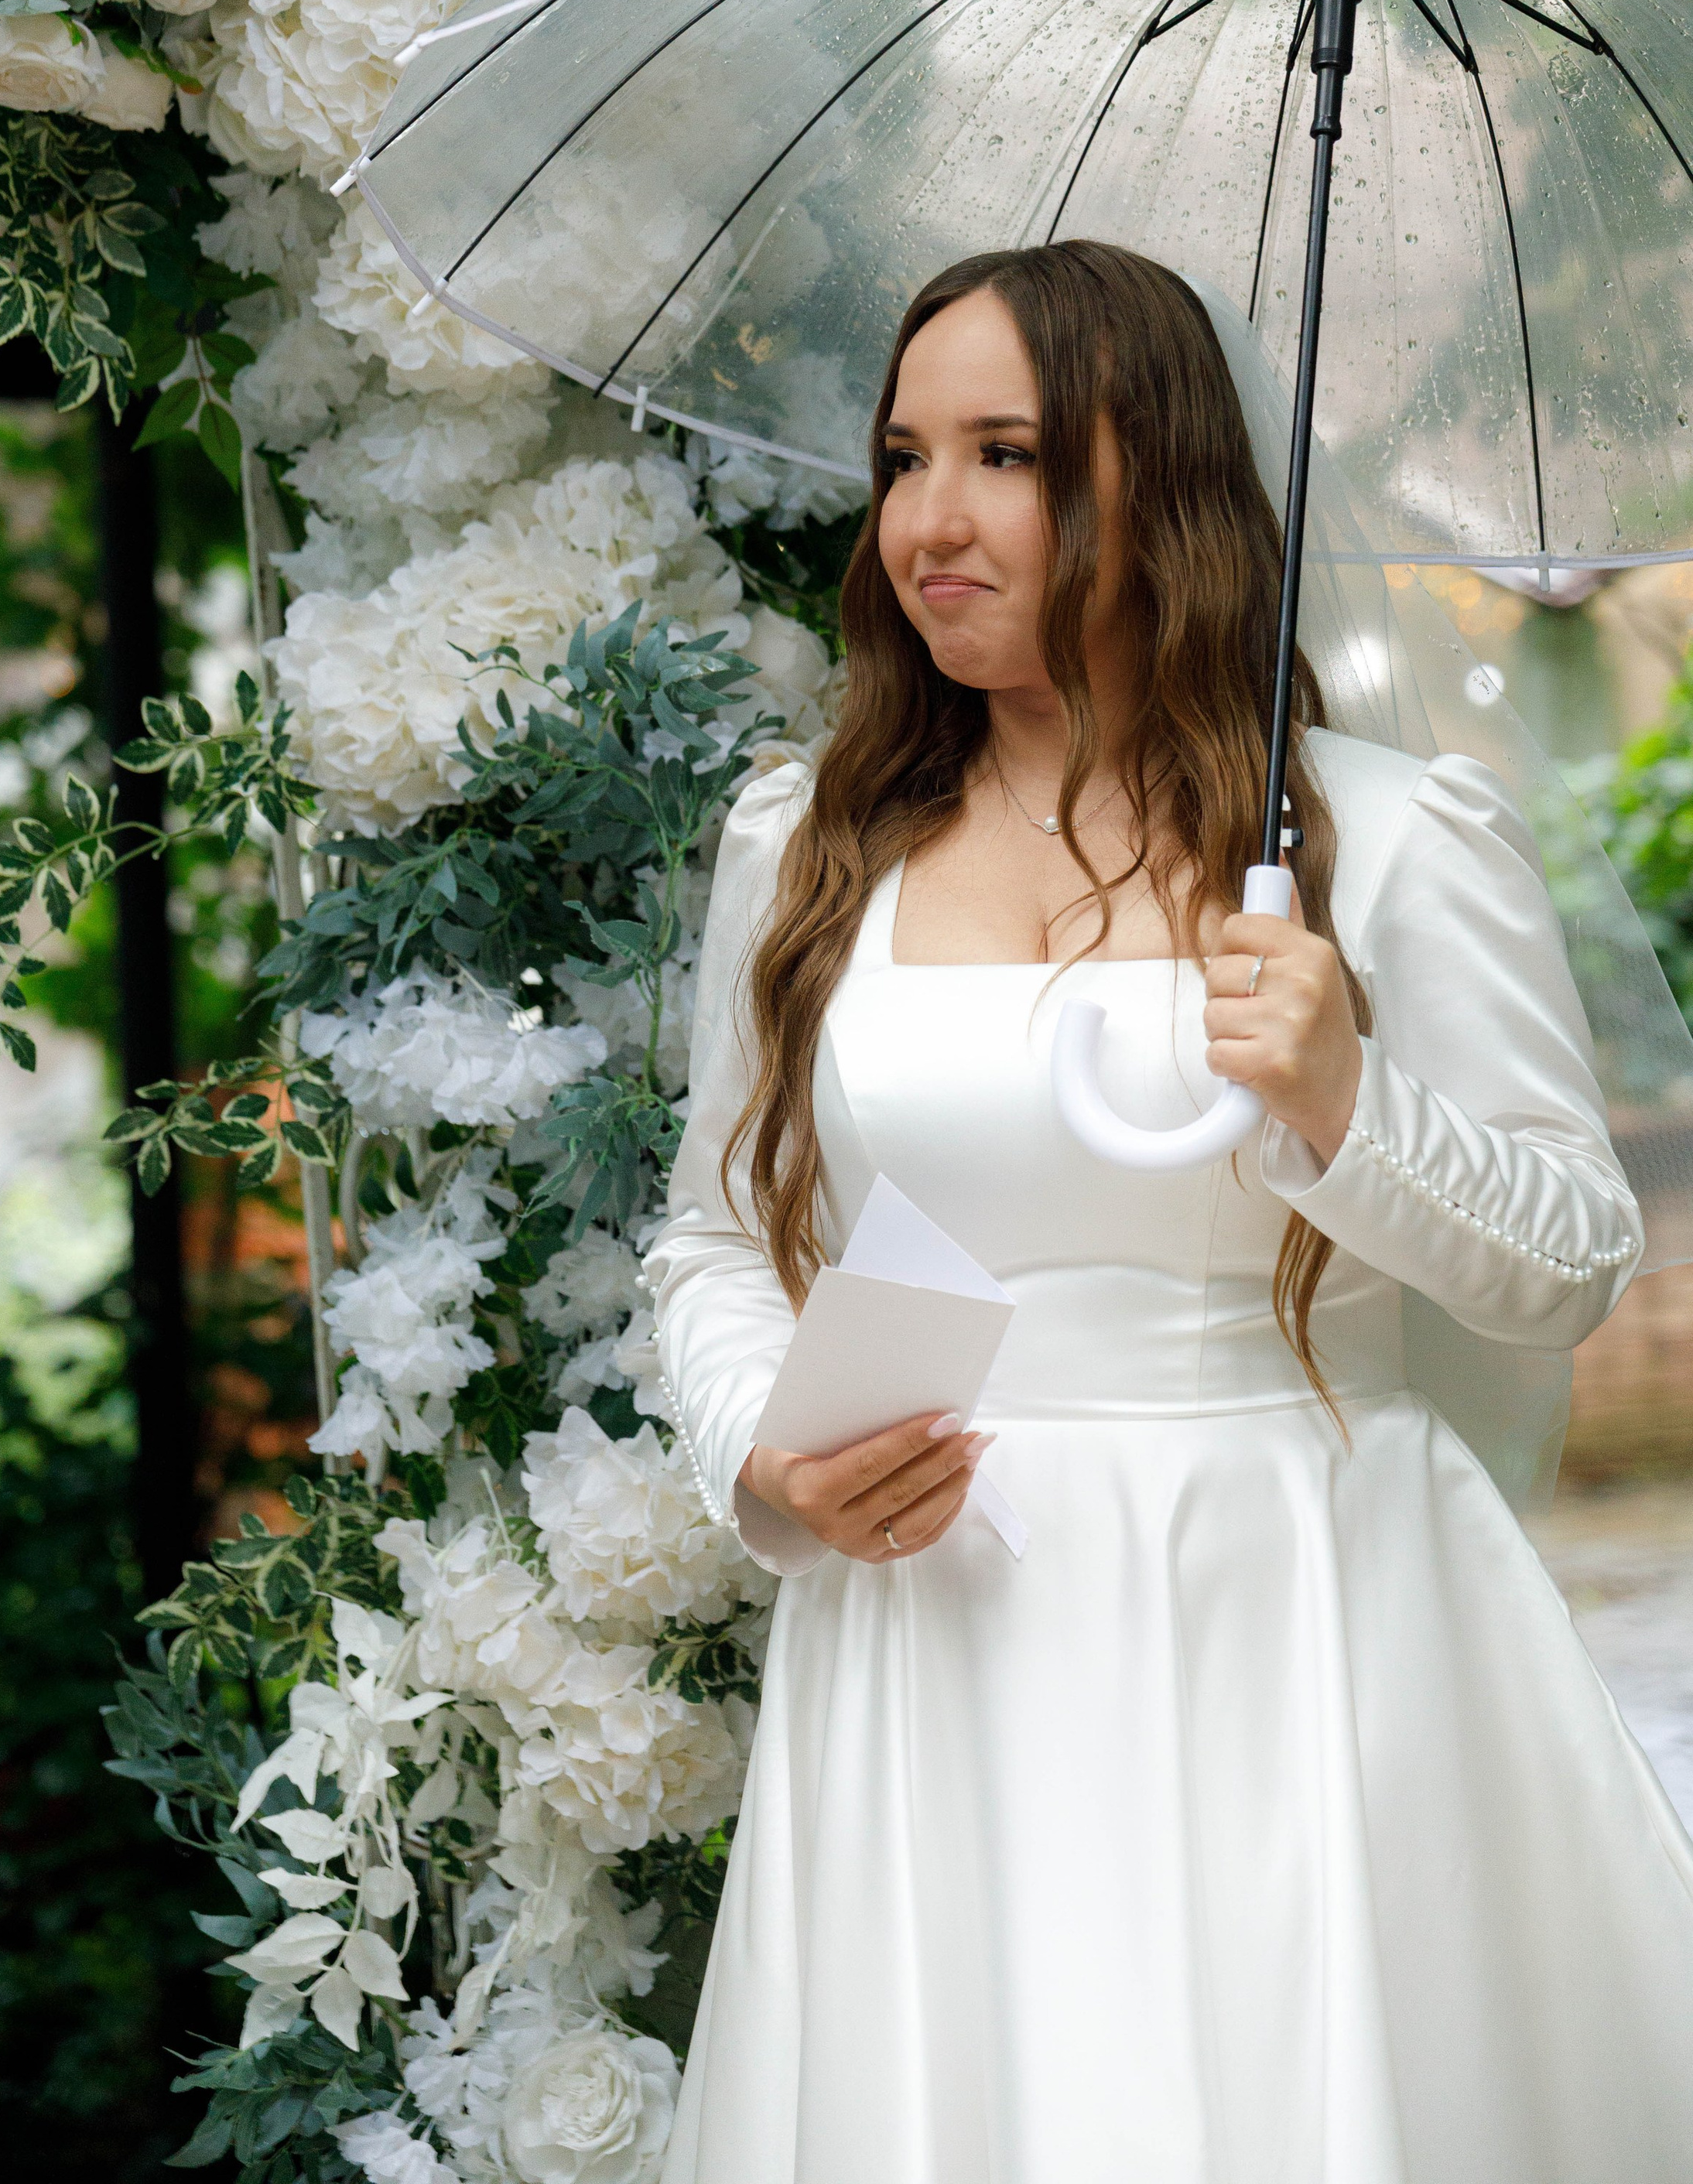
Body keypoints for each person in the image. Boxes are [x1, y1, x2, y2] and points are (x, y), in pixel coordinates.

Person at [645, 243, 1693, 2184]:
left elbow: (1564, 1263)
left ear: (1161, 487)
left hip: (1295, 1602)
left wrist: (1344, 1105)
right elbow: (715, 1237)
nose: (927, 522)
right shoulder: (804, 849)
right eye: (901, 459)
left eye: (1006, 455)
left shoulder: (1387, 843)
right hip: (935, 1620)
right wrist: (765, 1462)